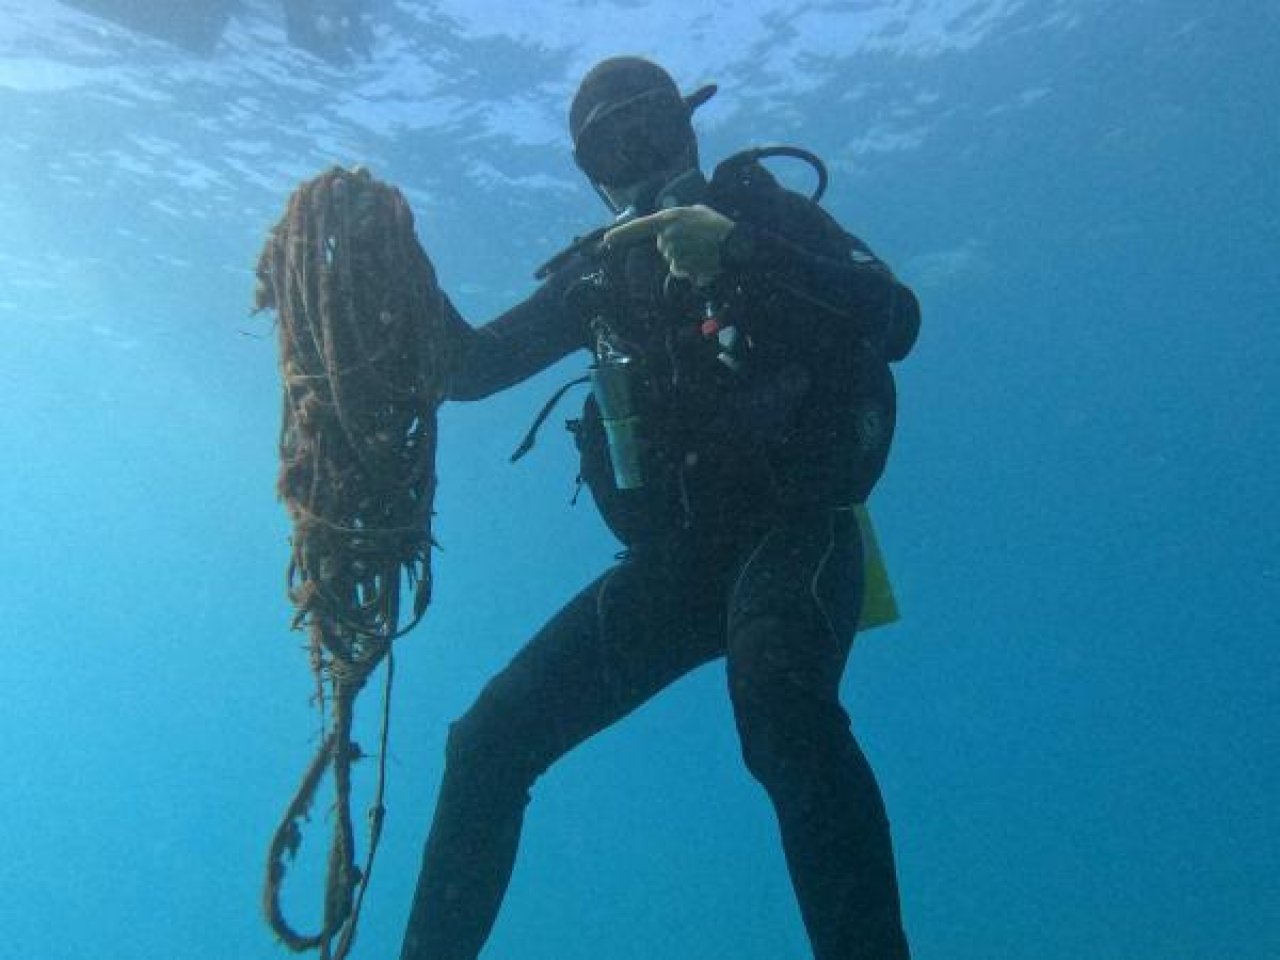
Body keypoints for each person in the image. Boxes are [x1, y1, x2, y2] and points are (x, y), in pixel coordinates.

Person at [400, 56, 921, 960]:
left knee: (780, 710)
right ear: (590, 173)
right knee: (487, 741)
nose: (636, 161)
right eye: (610, 150)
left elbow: (897, 318)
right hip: (678, 562)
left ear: (688, 130)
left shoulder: (761, 214)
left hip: (804, 531)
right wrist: (389, 250)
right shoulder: (599, 277)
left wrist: (743, 249)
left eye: (650, 131)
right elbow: (469, 369)